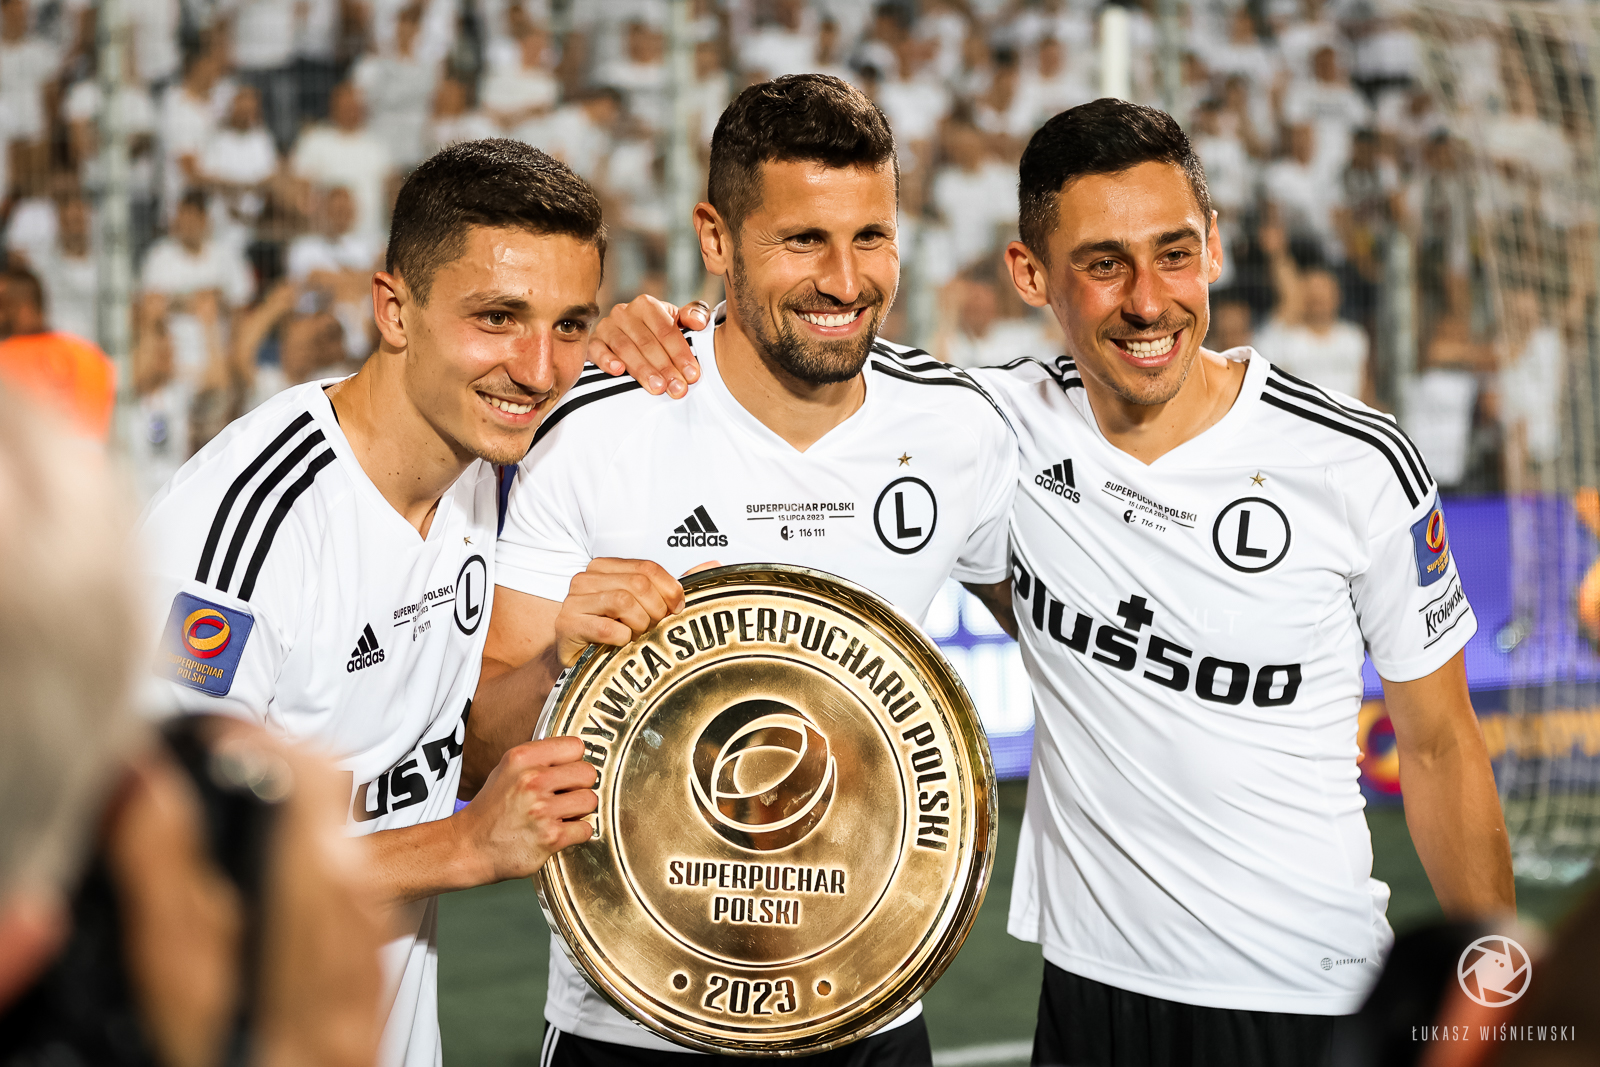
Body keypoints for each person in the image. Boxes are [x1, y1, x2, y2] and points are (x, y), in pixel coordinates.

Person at [604, 99, 1515, 1067]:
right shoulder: (986, 431)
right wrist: (648, 331)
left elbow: (1439, 744)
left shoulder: (1355, 461)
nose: (1148, 301)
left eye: (1174, 253)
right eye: (1103, 264)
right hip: (1088, 998)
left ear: (1213, 246)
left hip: (1304, 997)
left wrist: (1506, 996)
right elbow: (794, 365)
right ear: (1030, 273)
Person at [471, 74, 1016, 1067]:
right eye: (803, 239)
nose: (845, 280)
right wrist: (561, 665)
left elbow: (1066, 627)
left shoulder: (959, 429)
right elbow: (475, 747)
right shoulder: (595, 432)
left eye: (871, 236)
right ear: (715, 240)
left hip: (869, 1013)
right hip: (631, 1018)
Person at [137, 139, 607, 1067]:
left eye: (571, 325)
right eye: (498, 317)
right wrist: (463, 845)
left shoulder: (479, 463)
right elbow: (162, 867)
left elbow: (441, 745)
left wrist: (562, 658)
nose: (539, 367)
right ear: (394, 310)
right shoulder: (246, 530)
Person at [0, 266, 116, 441]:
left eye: (2, 305)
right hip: (82, 456)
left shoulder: (6, 359)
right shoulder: (89, 356)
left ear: (25, 308)